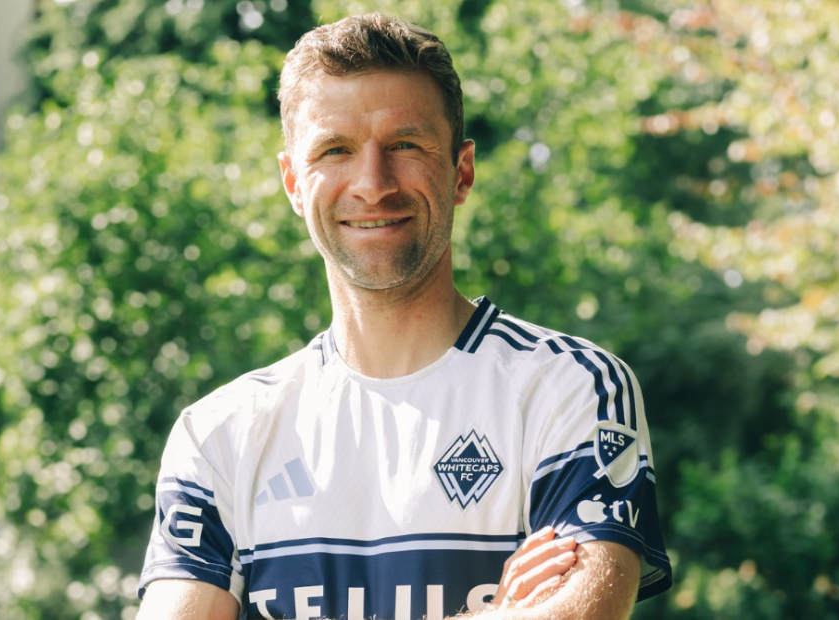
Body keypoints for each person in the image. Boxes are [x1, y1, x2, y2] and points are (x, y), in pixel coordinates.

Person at [137, 13, 671, 620]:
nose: (373, 183)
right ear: (293, 183)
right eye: (335, 150)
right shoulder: (219, 435)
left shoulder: (571, 388)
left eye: (406, 146)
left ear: (461, 172)